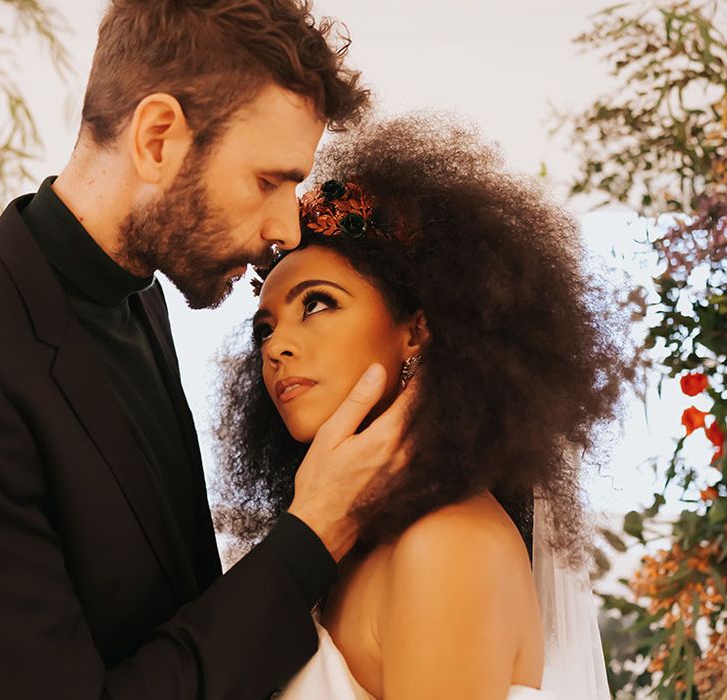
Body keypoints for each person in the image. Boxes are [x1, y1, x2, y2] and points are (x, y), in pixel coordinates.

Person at [0, 2, 415, 698]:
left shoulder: (142, 300)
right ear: (158, 138)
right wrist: (311, 537)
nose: (287, 228)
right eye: (270, 181)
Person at [216, 116, 630, 698]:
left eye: (317, 304)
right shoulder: (339, 549)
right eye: (265, 328)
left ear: (417, 331)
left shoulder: (447, 546)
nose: (277, 345)